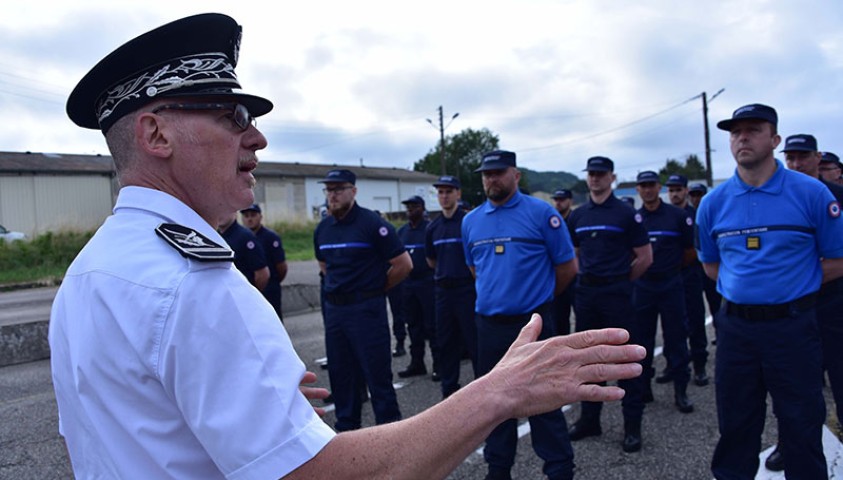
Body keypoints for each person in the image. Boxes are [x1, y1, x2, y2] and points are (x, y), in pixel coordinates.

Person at [49, 13, 646, 479]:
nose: (256, 136)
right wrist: (500, 391)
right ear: (155, 133)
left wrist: (263, 419)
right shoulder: (193, 283)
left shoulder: (91, 271)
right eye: (231, 116)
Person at [697, 104, 843, 479]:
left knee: (801, 424)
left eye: (753, 130)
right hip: (736, 331)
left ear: (775, 139)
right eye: (735, 132)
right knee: (736, 426)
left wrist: (791, 285)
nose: (742, 137)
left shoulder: (811, 194)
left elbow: (839, 258)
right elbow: (712, 267)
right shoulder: (713, 203)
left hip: (792, 328)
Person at [462, 150, 580, 480]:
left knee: (544, 400)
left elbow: (567, 267)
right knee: (494, 405)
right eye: (486, 174)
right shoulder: (471, 221)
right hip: (489, 327)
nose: (491, 179)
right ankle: (498, 470)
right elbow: (476, 270)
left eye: (498, 173)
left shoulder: (541, 213)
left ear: (516, 175)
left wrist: (537, 299)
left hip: (533, 323)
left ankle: (559, 469)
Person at [763, 133, 843, 472]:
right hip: (791, 310)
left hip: (833, 302)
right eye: (790, 157)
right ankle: (787, 442)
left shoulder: (837, 196)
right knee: (790, 384)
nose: (796, 164)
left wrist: (801, 280)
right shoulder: (777, 197)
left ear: (818, 157)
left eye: (803, 157)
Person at [565, 156, 653, 453]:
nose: (595, 179)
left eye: (601, 174)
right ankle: (591, 420)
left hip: (617, 292)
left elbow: (644, 257)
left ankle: (632, 427)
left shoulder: (625, 213)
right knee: (589, 360)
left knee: (626, 361)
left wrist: (621, 280)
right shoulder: (577, 216)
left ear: (612, 178)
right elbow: (573, 253)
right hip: (587, 293)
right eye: (591, 174)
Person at [314, 168, 411, 431]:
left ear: (353, 191)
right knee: (342, 377)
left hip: (366, 310)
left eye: (338, 189)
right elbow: (325, 266)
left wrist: (375, 288)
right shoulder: (323, 228)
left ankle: (389, 439)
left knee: (377, 379)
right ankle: (347, 434)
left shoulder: (372, 224)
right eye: (328, 190)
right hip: (336, 312)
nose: (332, 195)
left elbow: (403, 264)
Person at [634, 171, 695, 413]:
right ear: (638, 189)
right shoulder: (634, 218)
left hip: (670, 284)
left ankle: (681, 390)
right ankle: (644, 387)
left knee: (677, 337)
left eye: (651, 185)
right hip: (644, 285)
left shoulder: (677, 216)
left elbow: (690, 251)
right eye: (643, 186)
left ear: (659, 187)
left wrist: (670, 269)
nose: (647, 190)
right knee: (643, 339)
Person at [425, 175, 479, 398]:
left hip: (466, 290)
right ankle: (449, 391)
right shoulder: (433, 227)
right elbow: (431, 260)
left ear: (458, 194)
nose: (444, 196)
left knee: (474, 341)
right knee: (446, 342)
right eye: (440, 192)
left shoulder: (468, 222)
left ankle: (482, 390)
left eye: (448, 192)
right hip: (443, 292)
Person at [664, 174, 710, 386]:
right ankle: (672, 364)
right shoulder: (666, 214)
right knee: (671, 324)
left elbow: (695, 248)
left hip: (690, 275)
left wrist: (676, 263)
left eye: (678, 190)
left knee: (695, 319)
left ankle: (699, 365)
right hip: (670, 277)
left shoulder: (695, 215)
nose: (674, 194)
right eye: (671, 190)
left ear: (685, 191)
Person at [396, 195, 440, 380]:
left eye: (414, 207)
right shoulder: (402, 232)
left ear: (422, 208)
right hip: (408, 284)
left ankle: (439, 365)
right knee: (413, 325)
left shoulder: (429, 229)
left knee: (432, 326)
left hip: (427, 282)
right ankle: (417, 363)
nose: (410, 210)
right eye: (408, 207)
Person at [240, 203, 288, 320]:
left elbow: (281, 266)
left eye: (253, 215)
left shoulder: (270, 237)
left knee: (273, 318)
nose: (249, 219)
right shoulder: (240, 237)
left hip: (270, 287)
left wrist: (273, 281)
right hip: (249, 287)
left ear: (260, 217)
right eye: (246, 216)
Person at [688, 183, 723, 319]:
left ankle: (719, 333)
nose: (696, 198)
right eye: (693, 195)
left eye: (699, 194)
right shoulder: (686, 214)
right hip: (694, 268)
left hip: (711, 264)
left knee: (716, 303)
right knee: (695, 308)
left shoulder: (712, 213)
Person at [218, 211, 270, 291]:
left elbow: (262, 274)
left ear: (234, 211)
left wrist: (250, 294)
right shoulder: (214, 236)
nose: (220, 213)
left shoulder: (245, 237)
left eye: (224, 209)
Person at [550, 188, 575, 335]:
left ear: (570, 201)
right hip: (558, 275)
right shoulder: (552, 222)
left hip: (576, 275)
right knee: (558, 318)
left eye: (562, 200)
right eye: (556, 200)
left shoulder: (574, 219)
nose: (558, 203)